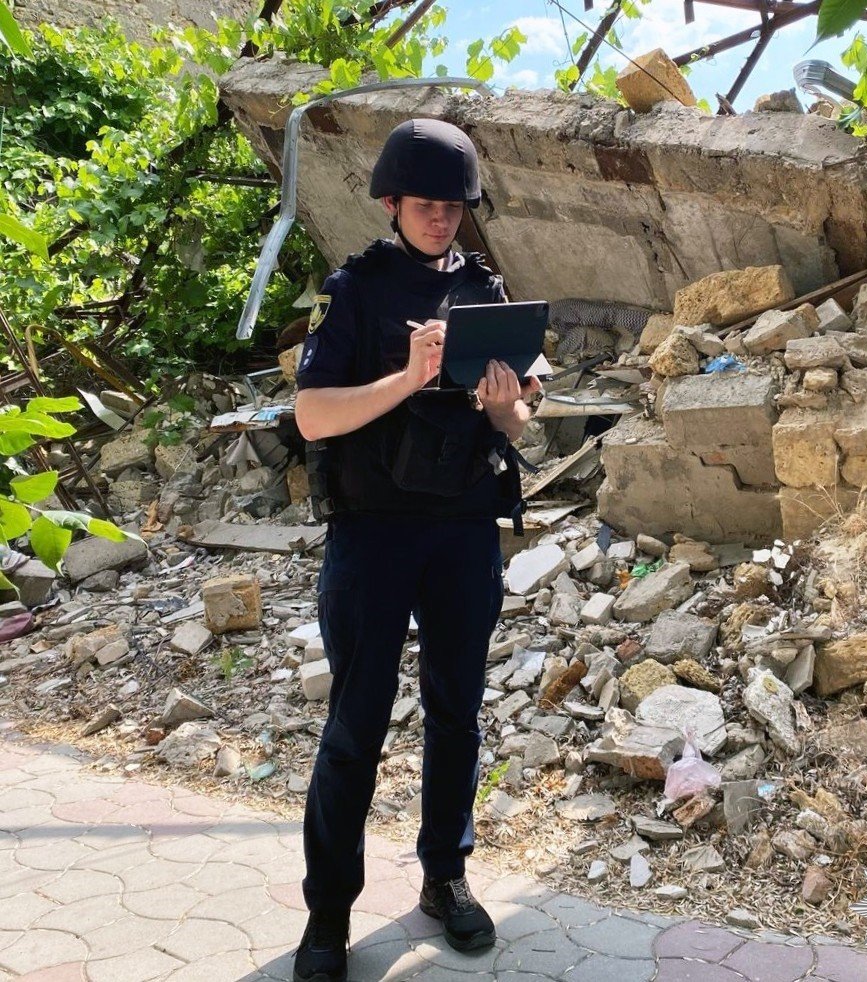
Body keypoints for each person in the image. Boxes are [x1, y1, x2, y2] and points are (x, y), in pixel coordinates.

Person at [290, 117, 540, 982]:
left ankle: (445, 876)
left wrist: (506, 402)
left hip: (463, 529)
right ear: (391, 202)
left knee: (457, 713)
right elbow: (311, 416)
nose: (442, 218)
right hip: (374, 533)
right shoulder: (355, 290)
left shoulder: (485, 288)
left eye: (455, 206)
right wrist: (407, 376)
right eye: (426, 204)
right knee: (356, 725)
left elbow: (520, 417)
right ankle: (328, 916)